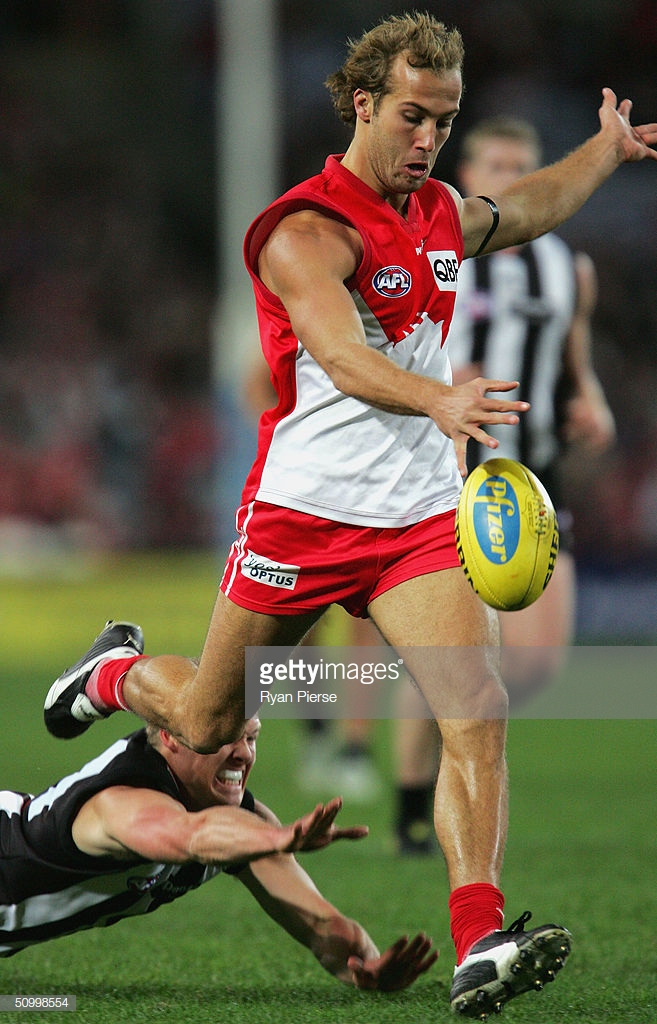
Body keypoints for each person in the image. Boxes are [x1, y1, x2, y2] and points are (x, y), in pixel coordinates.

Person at [43, 12, 657, 1018]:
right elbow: (339, 355)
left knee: (478, 706)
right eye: (414, 116)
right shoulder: (302, 231)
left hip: (417, 518)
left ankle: (478, 937)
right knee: (204, 724)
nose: (429, 139)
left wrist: (605, 151)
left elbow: (526, 208)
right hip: (301, 519)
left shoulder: (442, 213)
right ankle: (110, 673)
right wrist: (442, 400)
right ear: (365, 103)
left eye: (445, 121)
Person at [392, 116, 617, 856]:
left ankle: (428, 718)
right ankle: (411, 803)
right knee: (465, 654)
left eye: (522, 165)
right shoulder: (438, 251)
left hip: (536, 474)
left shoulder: (567, 268)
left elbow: (571, 353)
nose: (509, 175)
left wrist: (589, 398)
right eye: (495, 162)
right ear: (471, 168)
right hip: (452, 470)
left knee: (534, 660)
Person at [0, 712, 436, 990]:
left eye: (252, 737)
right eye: (228, 737)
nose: (244, 754)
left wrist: (369, 967)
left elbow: (323, 927)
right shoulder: (121, 797)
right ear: (170, 736)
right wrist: (274, 839)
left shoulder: (244, 824)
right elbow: (186, 835)